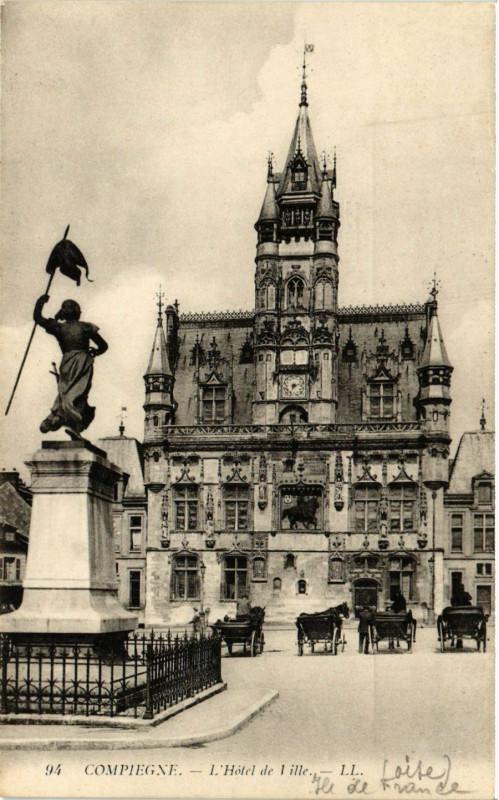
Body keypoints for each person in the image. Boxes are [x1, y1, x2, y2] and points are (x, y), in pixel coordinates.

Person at [34, 294, 108, 436]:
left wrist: (40, 302)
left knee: (66, 394)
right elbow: (104, 346)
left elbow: (38, 318)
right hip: (83, 364)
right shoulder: (86, 327)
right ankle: (73, 422)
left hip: (67, 364)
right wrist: (95, 352)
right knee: (79, 395)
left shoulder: (59, 327)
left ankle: (57, 418)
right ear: (77, 312)